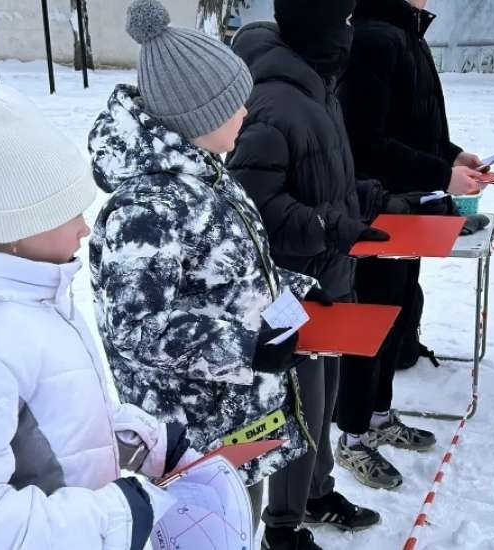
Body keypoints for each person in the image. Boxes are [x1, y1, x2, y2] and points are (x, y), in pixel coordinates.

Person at [0, 85, 197, 550]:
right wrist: (117, 514)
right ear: (16, 227)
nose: (86, 226)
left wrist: (141, 441)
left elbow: (47, 421)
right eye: (70, 212)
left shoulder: (31, 299)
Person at [88, 0, 321, 535]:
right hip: (193, 437)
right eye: (236, 105)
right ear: (198, 117)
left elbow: (226, 275)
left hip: (238, 420)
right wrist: (244, 345)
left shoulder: (207, 178)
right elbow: (135, 329)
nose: (247, 114)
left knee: (246, 527)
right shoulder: (148, 209)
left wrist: (293, 291)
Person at [228, 1, 385, 547]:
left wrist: (383, 200)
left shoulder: (318, 90)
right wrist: (326, 226)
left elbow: (326, 182)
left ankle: (316, 495)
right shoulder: (274, 102)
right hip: (290, 292)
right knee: (300, 413)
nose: (350, 32)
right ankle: (283, 529)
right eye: (342, 21)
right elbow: (255, 208)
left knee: (323, 410)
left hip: (330, 281)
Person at [332, 0, 491, 488]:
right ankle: (353, 437)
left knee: (396, 314)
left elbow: (413, 127)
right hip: (375, 211)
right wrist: (442, 173)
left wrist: (451, 153)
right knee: (369, 324)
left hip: (408, 206)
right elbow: (364, 142)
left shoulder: (407, 34)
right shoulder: (373, 38)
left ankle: (379, 418)